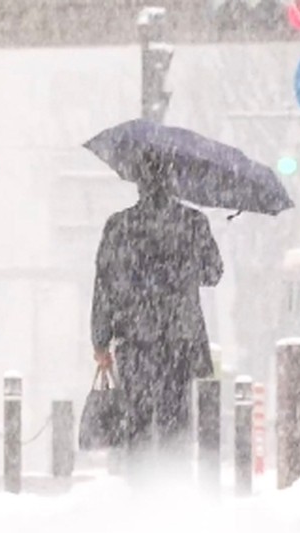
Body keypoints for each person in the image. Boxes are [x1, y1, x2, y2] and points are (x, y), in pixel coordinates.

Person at [90, 157, 224, 481]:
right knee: (175, 414)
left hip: (134, 338)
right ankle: (172, 484)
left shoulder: (119, 226)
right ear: (174, 182)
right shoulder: (192, 222)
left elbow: (104, 285)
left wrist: (100, 340)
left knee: (135, 416)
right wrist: (181, 269)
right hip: (180, 336)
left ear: (139, 184)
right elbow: (213, 273)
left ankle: (140, 486)